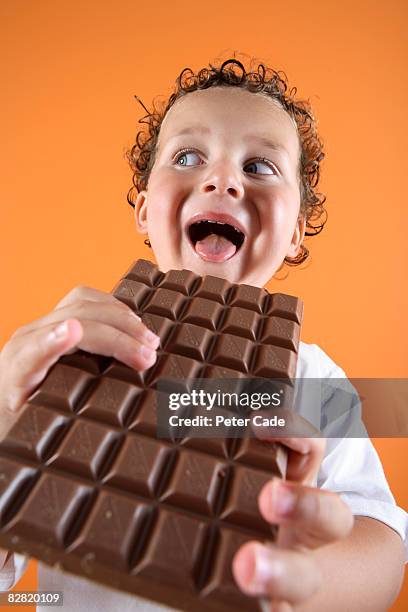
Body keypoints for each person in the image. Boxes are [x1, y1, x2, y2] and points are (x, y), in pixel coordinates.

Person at [0, 55, 406, 611]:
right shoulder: (77, 350)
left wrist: (300, 574)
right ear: (144, 211)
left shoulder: (314, 382)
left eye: (261, 166)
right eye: (188, 156)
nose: (222, 179)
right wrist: (5, 415)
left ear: (295, 232)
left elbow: (383, 545)